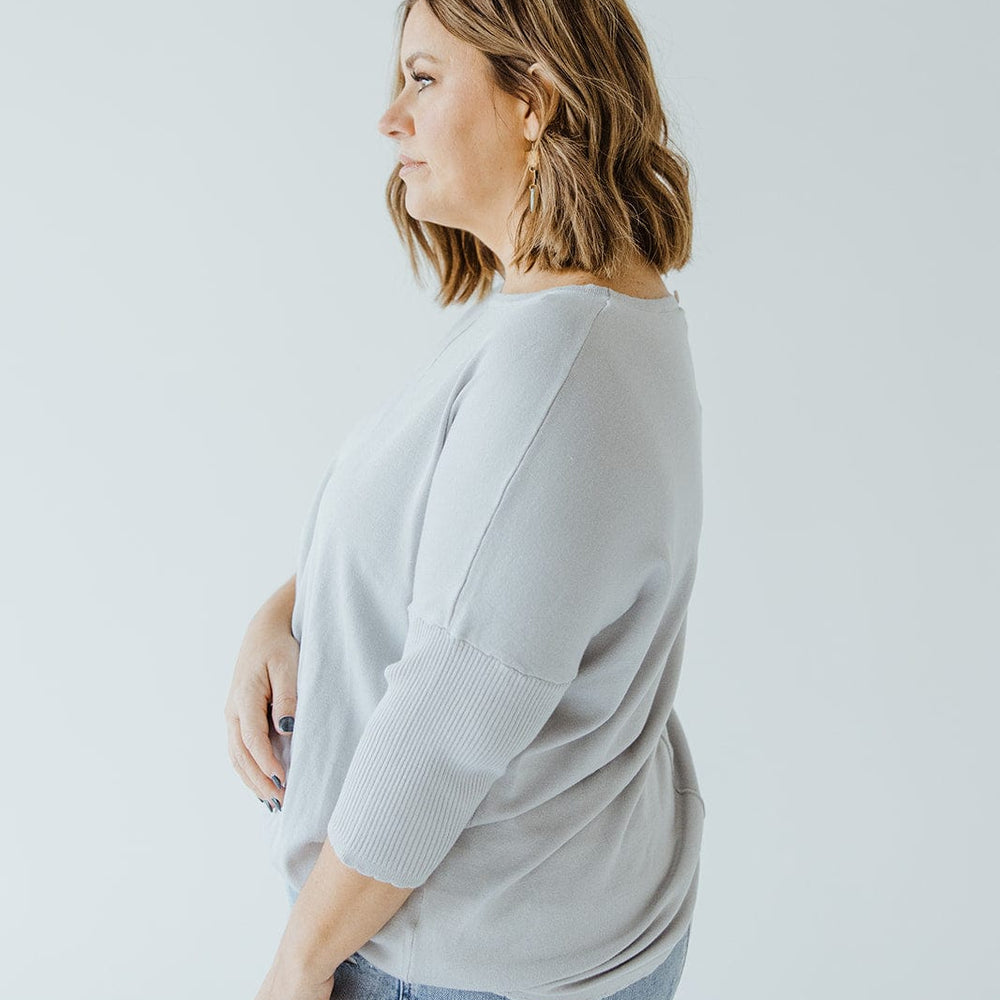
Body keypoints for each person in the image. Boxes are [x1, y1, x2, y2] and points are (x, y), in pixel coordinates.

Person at [223, 2, 705, 999]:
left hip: (451, 957)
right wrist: (285, 611)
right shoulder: (578, 309)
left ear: (533, 97)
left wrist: (300, 961)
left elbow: (447, 727)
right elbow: (471, 554)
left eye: (424, 78)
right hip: (542, 918)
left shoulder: (555, 368)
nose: (389, 118)